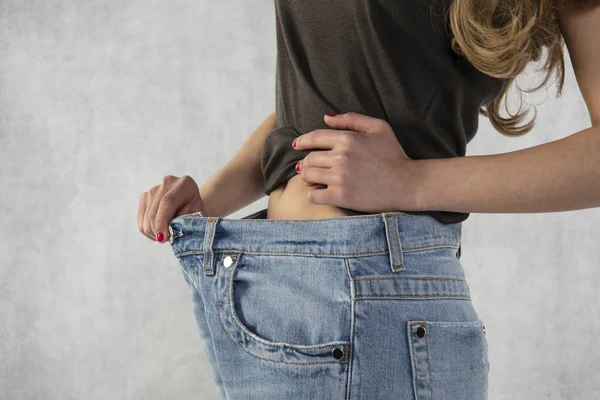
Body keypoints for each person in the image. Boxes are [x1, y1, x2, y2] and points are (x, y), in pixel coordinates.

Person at [137, 0, 600, 398]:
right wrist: (212, 198)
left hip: (354, 292)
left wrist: (410, 182)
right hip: (303, 290)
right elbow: (323, 103)